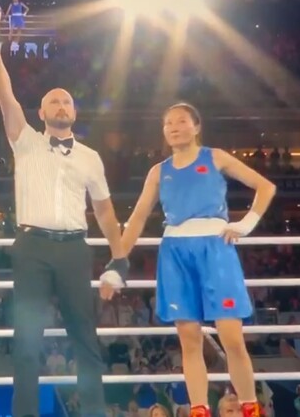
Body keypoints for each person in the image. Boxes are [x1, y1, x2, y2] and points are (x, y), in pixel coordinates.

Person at [0, 20, 129, 417]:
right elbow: (2, 90)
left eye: (67, 102)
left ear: (75, 112)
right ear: (41, 111)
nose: (62, 106)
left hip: (75, 250)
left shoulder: (90, 157)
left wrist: (120, 257)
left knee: (85, 337)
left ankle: (94, 413)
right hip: (32, 249)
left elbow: (104, 210)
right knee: (27, 341)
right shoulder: (25, 140)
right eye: (54, 102)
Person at [107, 103, 277, 417]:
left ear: (196, 126)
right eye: (167, 122)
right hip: (175, 251)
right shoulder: (158, 171)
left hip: (215, 248)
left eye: (181, 121)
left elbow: (265, 187)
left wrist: (246, 223)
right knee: (188, 340)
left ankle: (251, 409)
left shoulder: (215, 157)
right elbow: (138, 218)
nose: (173, 127)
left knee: (232, 339)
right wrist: (118, 262)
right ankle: (199, 410)